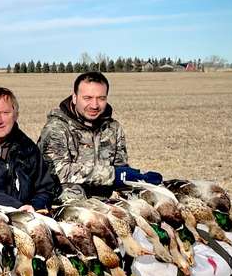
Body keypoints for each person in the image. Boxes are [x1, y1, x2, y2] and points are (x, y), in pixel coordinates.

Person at [38, 71, 162, 202]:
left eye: (101, 98)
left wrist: (139, 178)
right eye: (88, 98)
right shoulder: (57, 128)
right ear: (74, 98)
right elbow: (58, 171)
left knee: (148, 196)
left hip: (105, 198)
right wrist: (114, 175)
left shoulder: (113, 128)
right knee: (71, 193)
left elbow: (120, 169)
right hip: (69, 200)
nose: (95, 105)